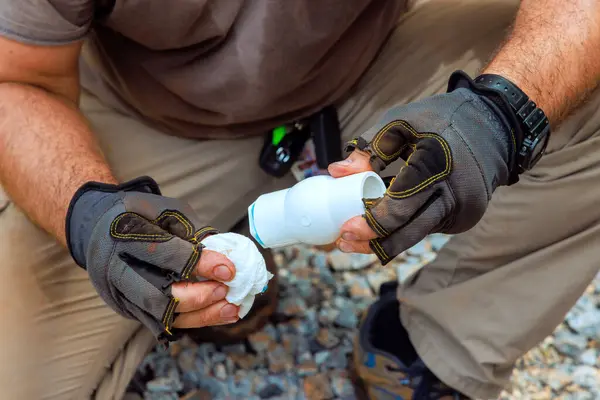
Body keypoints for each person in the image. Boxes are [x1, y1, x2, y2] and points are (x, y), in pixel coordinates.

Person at [0, 0, 598, 399]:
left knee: (571, 87)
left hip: (369, 67)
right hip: (153, 113)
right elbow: (17, 81)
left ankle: (430, 350)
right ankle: (217, 234)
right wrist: (89, 216)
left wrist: (495, 114)